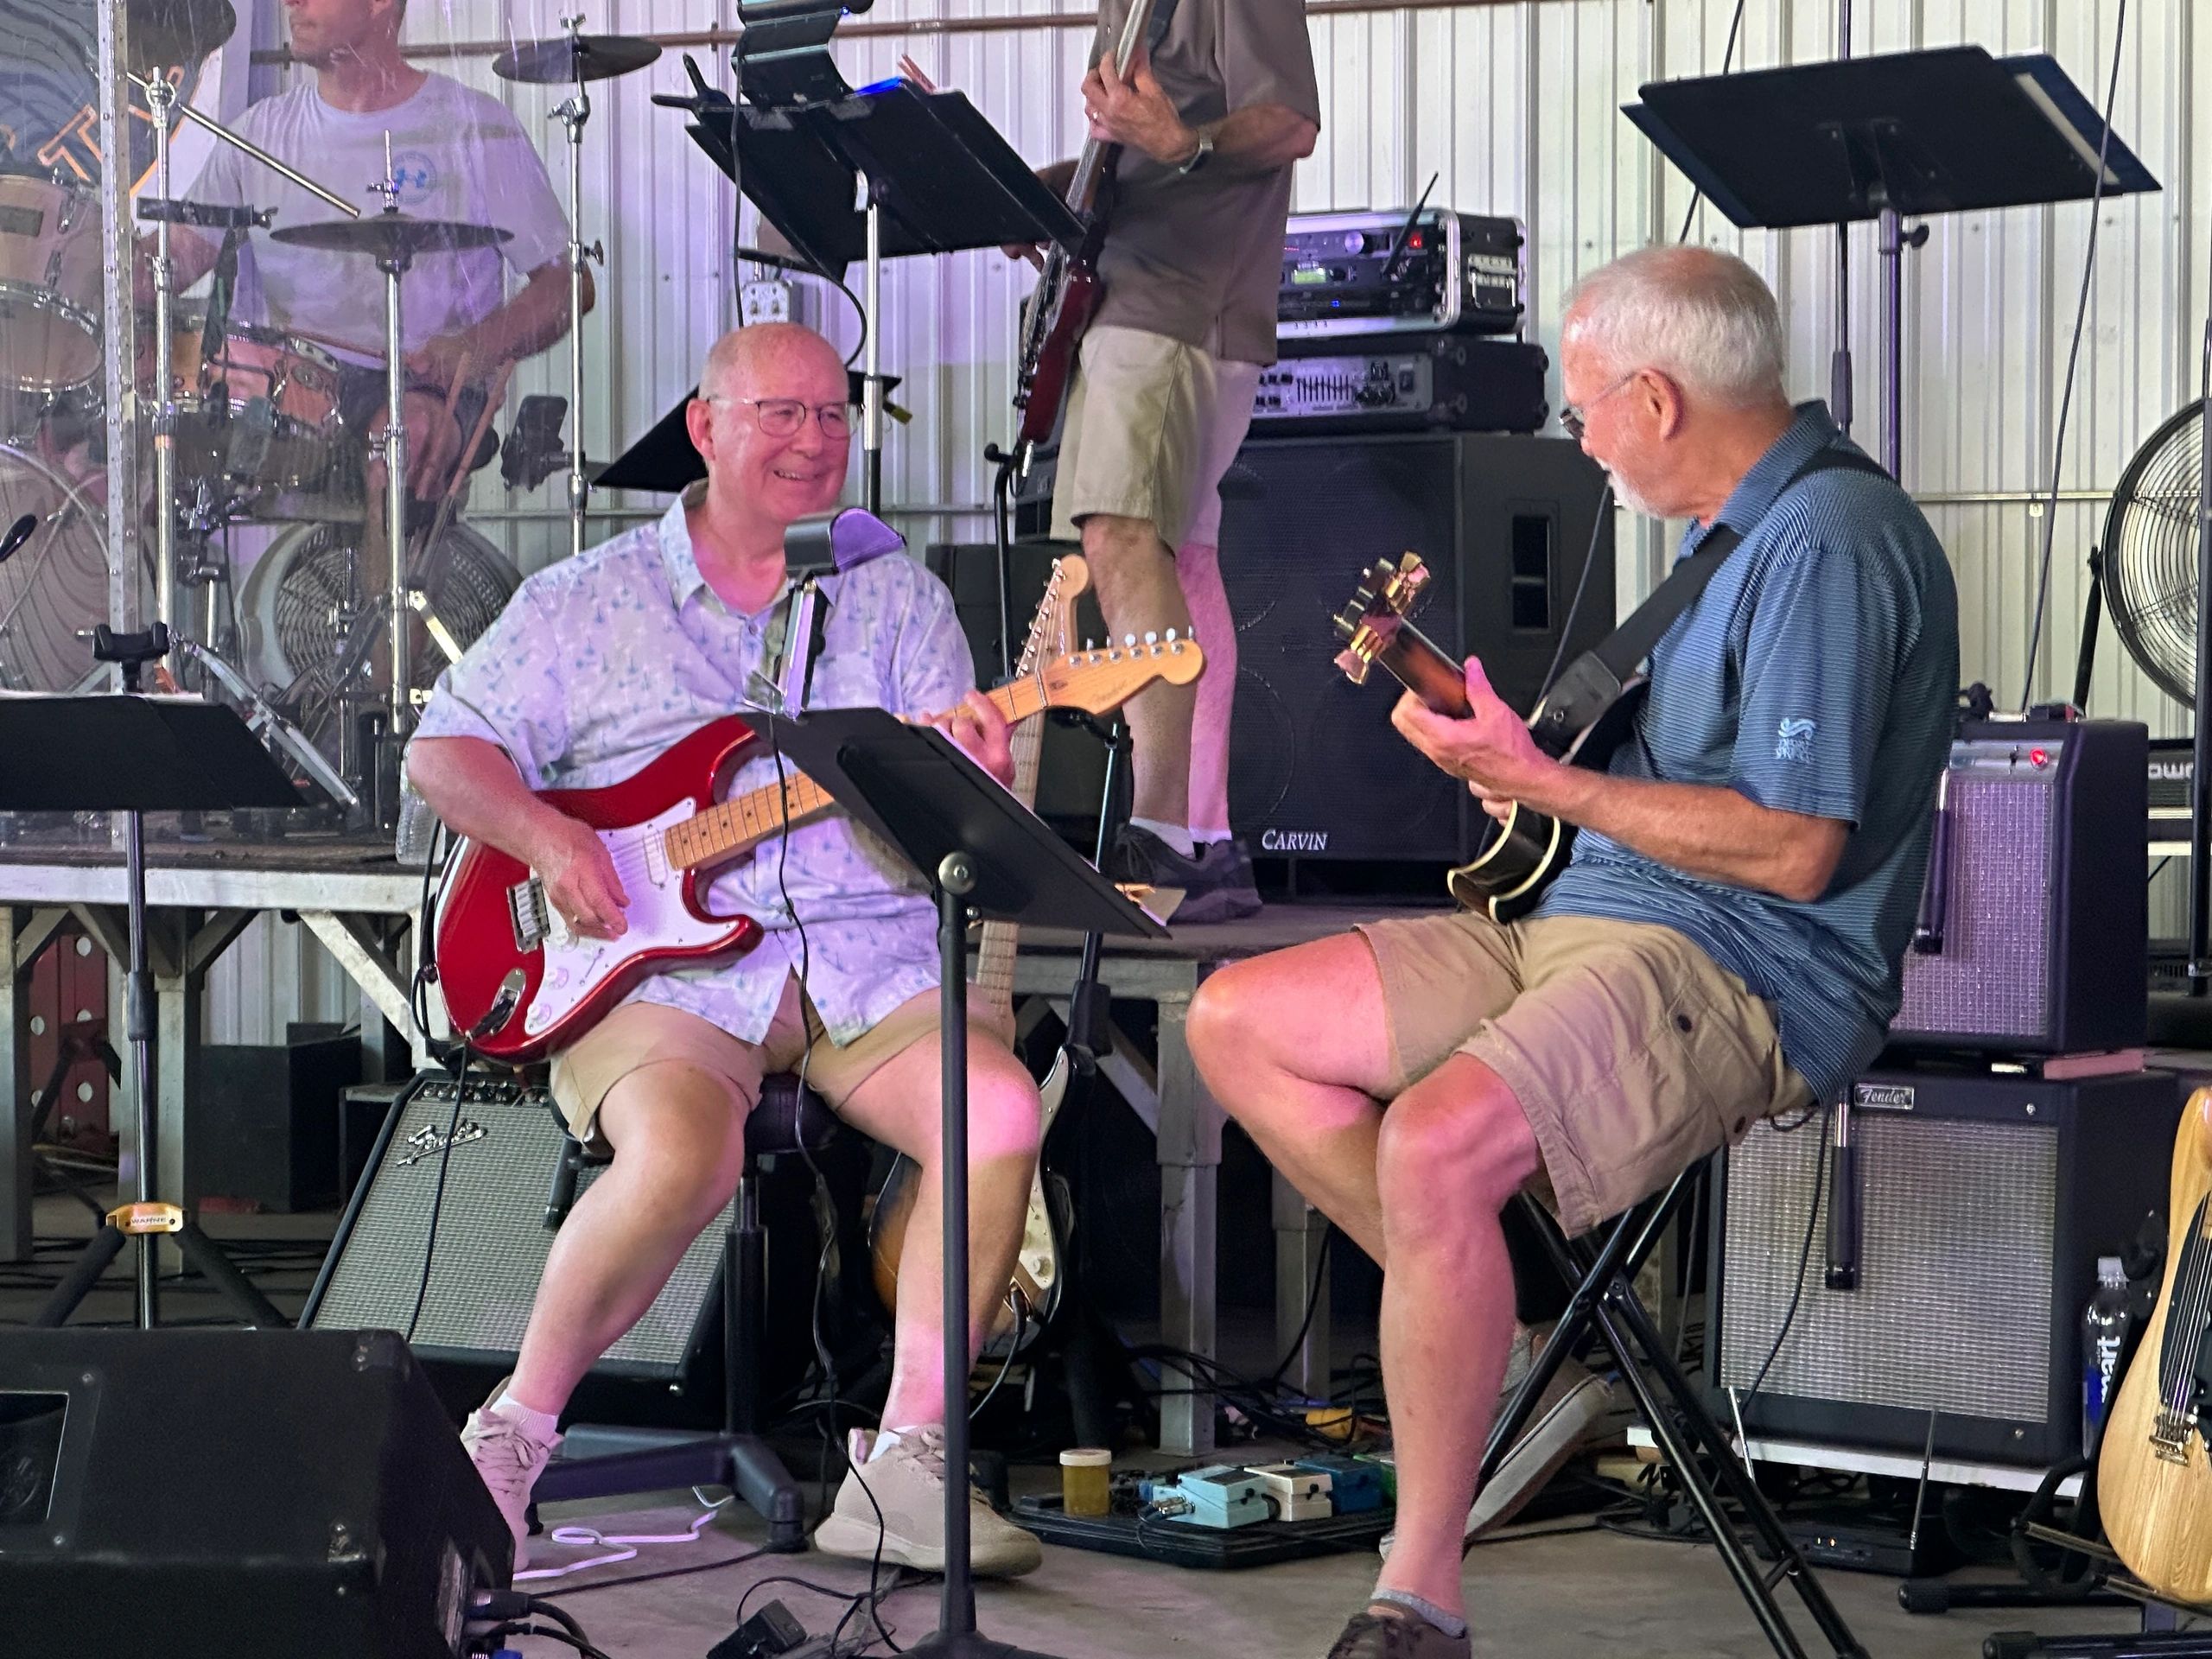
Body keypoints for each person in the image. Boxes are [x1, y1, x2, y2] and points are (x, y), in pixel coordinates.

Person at [1184, 247, 1959, 1657]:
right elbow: (1646, 793)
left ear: (1656, 400)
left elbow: (1792, 851)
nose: (1582, 442)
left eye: (1587, 409)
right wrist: (1528, 770)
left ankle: (1418, 1597)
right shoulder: (1724, 533)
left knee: (1432, 1150)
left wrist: (1556, 789)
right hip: (1580, 913)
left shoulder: (1829, 542)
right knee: (1238, 1020)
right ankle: (1502, 1335)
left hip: (1743, 966)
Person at [405, 322, 1046, 1579]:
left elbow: (943, 834)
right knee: (680, 1162)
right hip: (658, 967)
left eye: (831, 415)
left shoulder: (897, 601)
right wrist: (549, 843)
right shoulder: (586, 602)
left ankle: (907, 1464)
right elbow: (444, 752)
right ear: (706, 428)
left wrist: (980, 778)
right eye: (780, 415)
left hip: (863, 960)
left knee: (1003, 1115)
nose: (813, 441)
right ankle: (512, 1438)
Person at [1035, 0, 1319, 920]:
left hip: (1178, 306)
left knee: (1119, 537)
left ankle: (1155, 845)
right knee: (1180, 560)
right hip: (1139, 294)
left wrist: (1181, 138)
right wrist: (1024, 194)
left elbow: (1288, 121)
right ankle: (1203, 845)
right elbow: (1138, 159)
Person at [150, 0, 586, 499]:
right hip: (291, 380)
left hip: (427, 382)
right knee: (157, 439)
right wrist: (76, 251)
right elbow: (177, 255)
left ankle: (393, 578)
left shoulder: (477, 128)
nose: (290, 2)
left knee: (400, 439)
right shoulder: (257, 135)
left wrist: (476, 347)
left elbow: (566, 283)